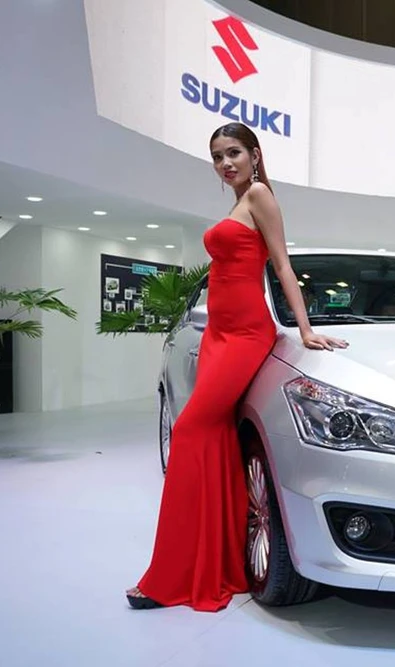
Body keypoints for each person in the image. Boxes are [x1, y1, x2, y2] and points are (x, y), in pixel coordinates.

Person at [125, 122, 348, 612]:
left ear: (255, 154)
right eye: (217, 156)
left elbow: (282, 264)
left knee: (189, 431)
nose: (226, 163)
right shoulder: (237, 202)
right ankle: (221, 563)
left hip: (246, 333)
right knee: (215, 439)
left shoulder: (261, 195)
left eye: (233, 153)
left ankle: (173, 576)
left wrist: (305, 329)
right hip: (217, 335)